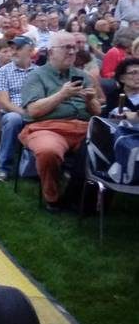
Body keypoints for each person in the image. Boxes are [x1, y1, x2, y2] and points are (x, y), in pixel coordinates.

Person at [19, 31, 102, 212]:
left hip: (83, 128)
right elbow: (33, 110)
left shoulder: (83, 75)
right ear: (50, 52)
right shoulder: (36, 75)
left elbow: (97, 111)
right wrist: (62, 94)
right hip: (47, 127)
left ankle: (89, 198)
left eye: (74, 47)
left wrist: (90, 100)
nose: (72, 52)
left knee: (107, 146)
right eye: (66, 48)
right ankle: (53, 197)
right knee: (48, 151)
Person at [0, 36, 38, 181]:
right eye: (11, 48)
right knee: (13, 120)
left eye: (17, 48)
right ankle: (3, 168)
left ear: (30, 51)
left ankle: (40, 167)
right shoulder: (3, 71)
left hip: (37, 111)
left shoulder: (39, 71)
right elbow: (4, 102)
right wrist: (24, 113)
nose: (13, 52)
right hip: (13, 112)